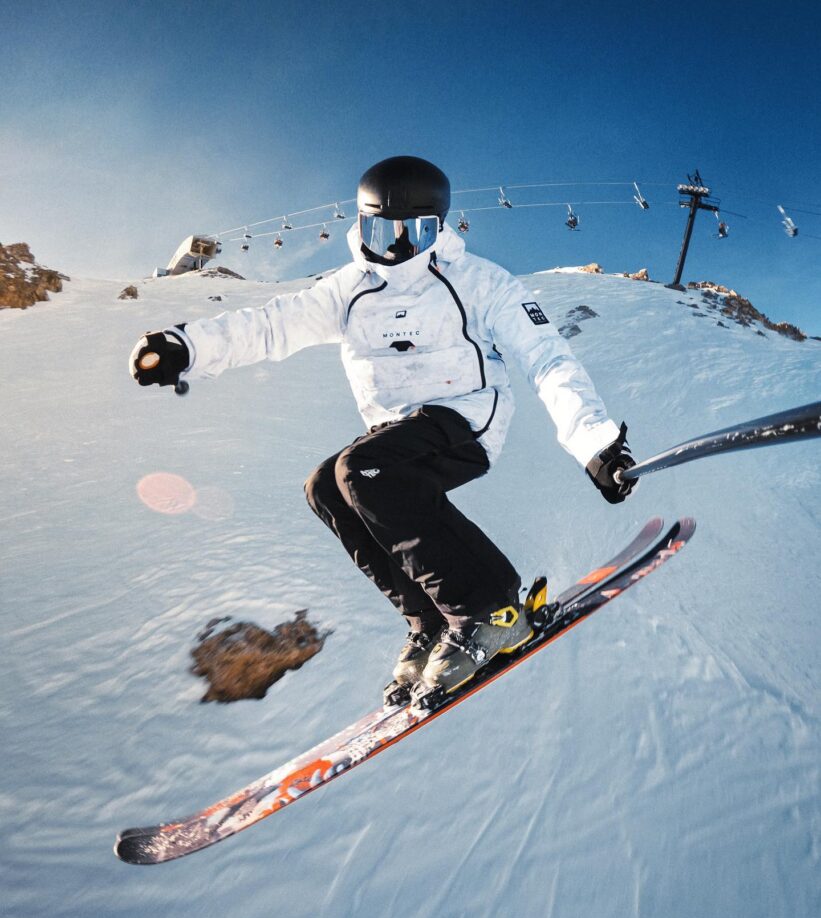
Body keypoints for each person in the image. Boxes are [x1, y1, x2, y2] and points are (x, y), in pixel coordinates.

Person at [129, 155, 636, 711]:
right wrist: (188, 346)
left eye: (412, 232)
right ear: (360, 226)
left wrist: (596, 442)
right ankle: (431, 621)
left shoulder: (481, 283)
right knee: (325, 485)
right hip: (396, 431)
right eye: (380, 231)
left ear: (439, 228)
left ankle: (492, 611)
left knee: (364, 471)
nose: (395, 247)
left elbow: (547, 356)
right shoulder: (349, 288)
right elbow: (272, 325)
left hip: (465, 418)